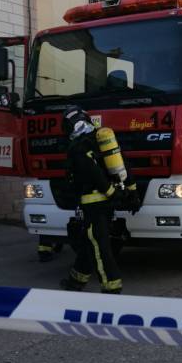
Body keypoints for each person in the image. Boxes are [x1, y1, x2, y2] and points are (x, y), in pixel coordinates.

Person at [59, 106, 140, 294]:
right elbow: (124, 166)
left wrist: (111, 192)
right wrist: (132, 193)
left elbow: (92, 172)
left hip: (93, 204)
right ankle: (75, 281)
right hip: (106, 203)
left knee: (99, 246)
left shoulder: (78, 146)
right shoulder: (99, 139)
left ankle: (111, 287)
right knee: (89, 241)